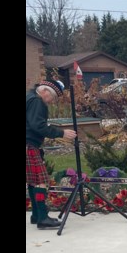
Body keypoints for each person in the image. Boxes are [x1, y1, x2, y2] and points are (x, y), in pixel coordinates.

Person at [26, 79, 78, 229]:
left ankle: (36, 215)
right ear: (44, 91)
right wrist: (61, 133)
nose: (51, 101)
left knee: (32, 180)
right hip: (29, 144)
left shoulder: (29, 97)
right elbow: (38, 125)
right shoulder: (37, 101)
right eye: (52, 97)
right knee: (40, 180)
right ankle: (42, 218)